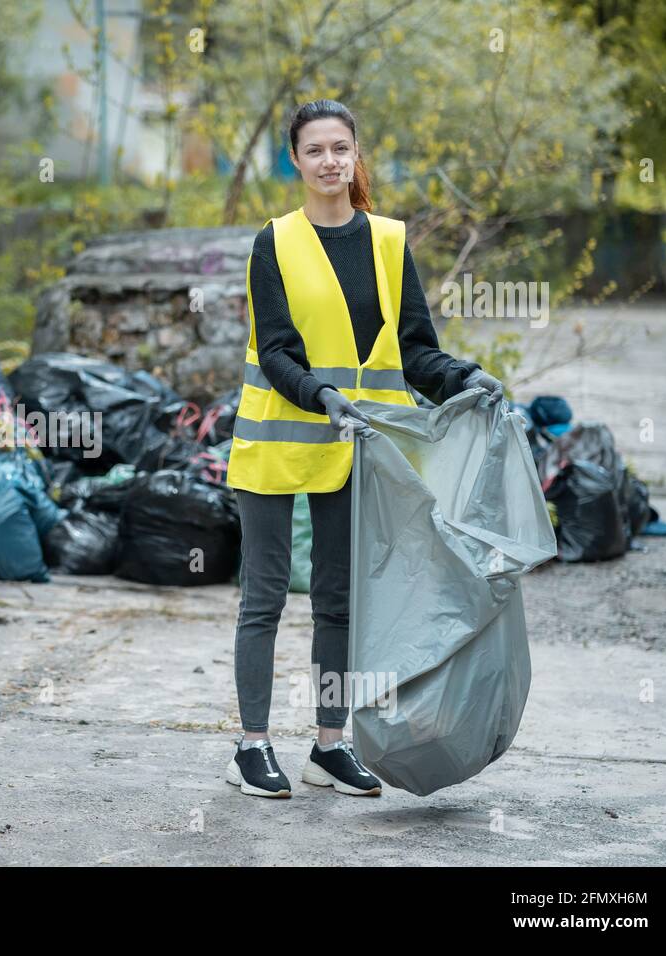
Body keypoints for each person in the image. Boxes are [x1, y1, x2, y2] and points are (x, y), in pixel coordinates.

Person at [223, 99, 505, 799]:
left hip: (356, 449)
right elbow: (280, 350)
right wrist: (323, 398)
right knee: (262, 597)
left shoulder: (386, 241)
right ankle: (251, 747)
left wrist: (464, 378)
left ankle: (328, 742)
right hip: (277, 441)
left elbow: (414, 350)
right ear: (296, 160)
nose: (329, 161)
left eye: (340, 148)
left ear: (355, 155)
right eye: (315, 150)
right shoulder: (275, 242)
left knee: (339, 600)